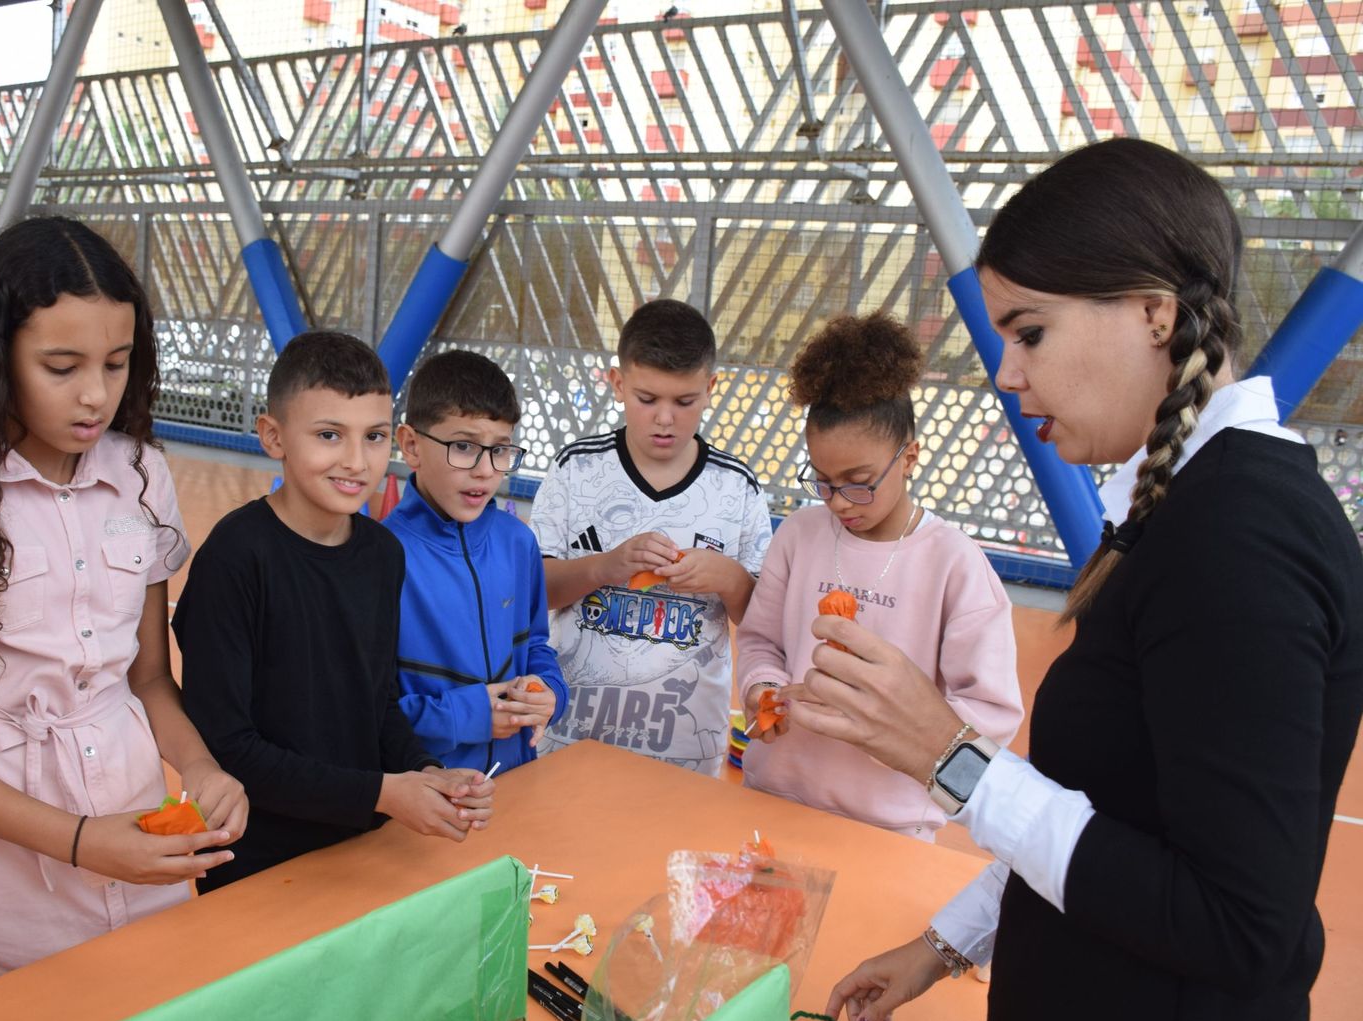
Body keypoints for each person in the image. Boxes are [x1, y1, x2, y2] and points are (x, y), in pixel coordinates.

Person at [805, 139, 1363, 1021]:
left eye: (1030, 333)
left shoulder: (1240, 537)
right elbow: (1120, 818)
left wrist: (951, 759)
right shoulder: (1186, 507)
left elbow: (1235, 924)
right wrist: (948, 944)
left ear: (1153, 313)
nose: (1007, 373)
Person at [0, 218, 248, 990]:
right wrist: (80, 840)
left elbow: (148, 679)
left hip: (133, 822)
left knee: (148, 1015)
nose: (96, 395)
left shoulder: (142, 475)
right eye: (61, 366)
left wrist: (200, 767)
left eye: (117, 364)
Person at [173, 331, 495, 891]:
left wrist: (427, 772)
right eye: (329, 435)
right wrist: (382, 793)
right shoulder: (235, 557)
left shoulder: (382, 554)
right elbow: (227, 745)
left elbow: (377, 705)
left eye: (372, 437)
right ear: (273, 436)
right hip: (258, 865)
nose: (356, 460)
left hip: (365, 848)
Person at [734, 312, 1021, 839]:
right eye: (822, 481)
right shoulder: (798, 536)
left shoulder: (954, 563)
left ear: (908, 456)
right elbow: (759, 641)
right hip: (776, 797)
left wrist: (890, 730)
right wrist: (764, 689)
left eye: (859, 482)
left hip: (892, 823)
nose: (840, 501)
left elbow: (990, 711)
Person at [531, 299, 773, 775]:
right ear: (617, 384)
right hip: (573, 736)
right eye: (647, 399)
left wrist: (728, 579)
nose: (665, 419)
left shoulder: (736, 487)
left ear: (710, 389)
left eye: (684, 402)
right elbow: (533, 590)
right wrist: (604, 566)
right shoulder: (575, 469)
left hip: (686, 747)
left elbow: (763, 622)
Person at [385, 350, 567, 774]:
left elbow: (537, 645)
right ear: (411, 445)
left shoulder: (518, 542)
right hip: (424, 801)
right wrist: (469, 715)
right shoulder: (382, 557)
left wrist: (550, 692)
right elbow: (368, 710)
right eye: (463, 446)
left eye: (500, 450)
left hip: (515, 785)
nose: (485, 470)